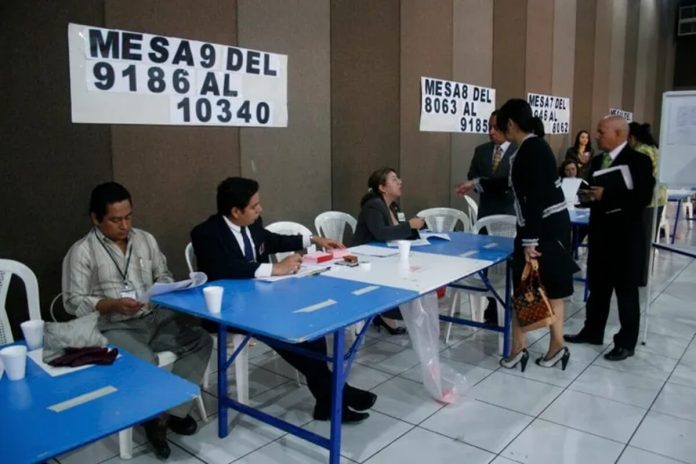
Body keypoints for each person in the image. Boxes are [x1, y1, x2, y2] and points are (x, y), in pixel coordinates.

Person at [191, 177, 377, 423]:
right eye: (255, 206)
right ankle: (338, 394)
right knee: (288, 336)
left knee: (312, 331)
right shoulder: (206, 234)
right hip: (227, 311)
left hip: (261, 300)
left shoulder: (252, 225)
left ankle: (327, 401)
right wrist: (273, 269)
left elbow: (271, 240)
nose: (260, 210)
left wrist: (312, 240)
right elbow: (225, 268)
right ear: (236, 211)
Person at [62, 182, 213, 460]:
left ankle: (168, 413)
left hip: (154, 315)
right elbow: (72, 301)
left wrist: (165, 287)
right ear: (96, 218)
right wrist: (112, 304)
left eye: (129, 216)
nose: (124, 225)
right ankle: (155, 421)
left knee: (200, 339)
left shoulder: (145, 240)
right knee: (144, 361)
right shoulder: (82, 251)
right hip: (114, 324)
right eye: (116, 219)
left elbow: (164, 274)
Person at [456, 98, 578, 372]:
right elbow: (512, 184)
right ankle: (552, 347)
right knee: (547, 291)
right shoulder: (534, 147)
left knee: (525, 290)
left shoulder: (529, 150)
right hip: (552, 227)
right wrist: (476, 183)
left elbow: (532, 197)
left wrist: (530, 241)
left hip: (542, 230)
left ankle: (519, 350)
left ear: (510, 123)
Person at [564, 116, 655, 361]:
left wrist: (609, 194)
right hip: (600, 234)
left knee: (626, 291)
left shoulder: (639, 161)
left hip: (626, 238)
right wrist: (585, 195)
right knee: (598, 288)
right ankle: (593, 330)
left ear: (618, 134)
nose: (596, 135)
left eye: (601, 132)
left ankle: (626, 342)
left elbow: (643, 198)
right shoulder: (597, 161)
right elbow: (590, 191)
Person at [352, 168, 425, 334]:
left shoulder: (393, 206)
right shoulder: (373, 205)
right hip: (365, 258)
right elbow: (381, 233)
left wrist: (416, 227)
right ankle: (385, 312)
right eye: (394, 179)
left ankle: (387, 312)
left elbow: (398, 230)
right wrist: (409, 226)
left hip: (383, 254)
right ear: (382, 188)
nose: (400, 182)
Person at [466, 111, 516, 325]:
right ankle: (490, 304)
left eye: (496, 127)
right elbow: (472, 178)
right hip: (487, 212)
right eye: (489, 127)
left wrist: (490, 184)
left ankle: (506, 303)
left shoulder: (519, 151)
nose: (491, 132)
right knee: (487, 261)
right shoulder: (481, 151)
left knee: (507, 264)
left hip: (510, 214)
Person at [629, 121, 667, 286]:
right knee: (646, 240)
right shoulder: (654, 149)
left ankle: (639, 277)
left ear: (632, 137)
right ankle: (641, 276)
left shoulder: (641, 151)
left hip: (648, 202)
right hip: (658, 199)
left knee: (641, 241)